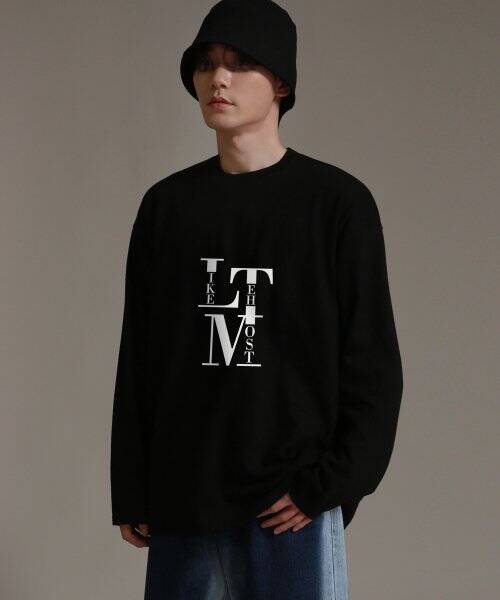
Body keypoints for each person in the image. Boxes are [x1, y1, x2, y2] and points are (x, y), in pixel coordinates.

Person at [110, 1, 404, 598]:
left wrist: (329, 485)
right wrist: (134, 487)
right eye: (206, 64)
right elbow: (140, 354)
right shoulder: (168, 207)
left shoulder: (336, 204)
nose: (218, 79)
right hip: (183, 498)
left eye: (241, 64)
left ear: (282, 84)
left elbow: (372, 361)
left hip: (288, 505)